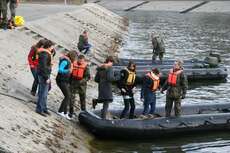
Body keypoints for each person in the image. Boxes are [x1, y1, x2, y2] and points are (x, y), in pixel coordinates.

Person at [36, 40, 55, 117]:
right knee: (43, 93)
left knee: (45, 92)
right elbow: (43, 67)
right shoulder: (44, 54)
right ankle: (39, 109)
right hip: (44, 75)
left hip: (45, 74)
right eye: (52, 47)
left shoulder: (46, 53)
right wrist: (47, 77)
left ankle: (44, 108)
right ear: (49, 47)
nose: (52, 48)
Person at [56, 51, 76, 120]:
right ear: (73, 56)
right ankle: (60, 111)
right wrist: (68, 70)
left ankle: (65, 113)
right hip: (61, 80)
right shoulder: (65, 61)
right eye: (75, 58)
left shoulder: (69, 61)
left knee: (68, 96)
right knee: (67, 96)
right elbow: (60, 70)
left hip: (65, 81)